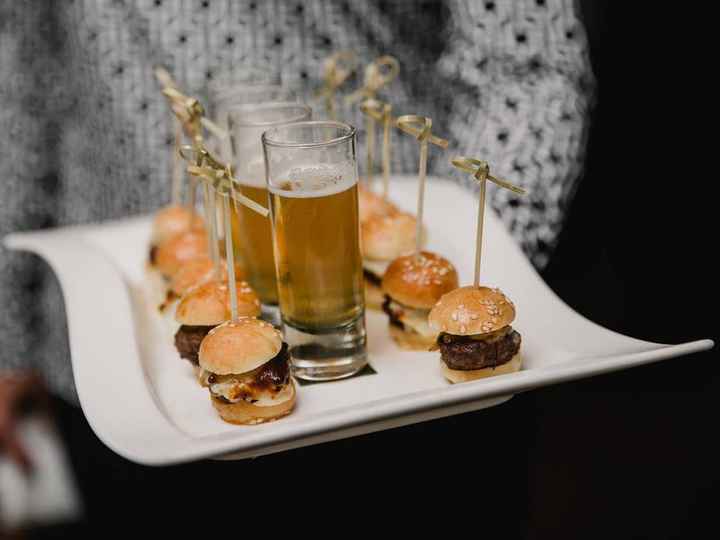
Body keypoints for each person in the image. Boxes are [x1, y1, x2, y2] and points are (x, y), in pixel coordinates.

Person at [0, 0, 593, 437]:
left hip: (399, 384)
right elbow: (20, 84)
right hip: (110, 358)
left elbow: (527, 56)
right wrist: (8, 331)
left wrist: (479, 280)